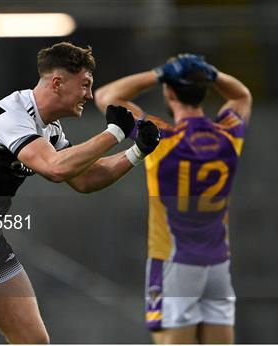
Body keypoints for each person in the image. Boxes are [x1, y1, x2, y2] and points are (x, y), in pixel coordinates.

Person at [0, 41, 160, 344]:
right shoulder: (12, 117)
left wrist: (137, 151)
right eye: (85, 84)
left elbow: (85, 179)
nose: (88, 94)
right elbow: (55, 168)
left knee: (34, 340)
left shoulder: (50, 128)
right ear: (57, 82)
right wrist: (113, 133)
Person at [95, 54, 252, 344]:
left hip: (175, 265)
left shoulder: (161, 138)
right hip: (217, 264)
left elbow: (106, 96)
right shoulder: (228, 134)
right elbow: (242, 95)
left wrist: (158, 73)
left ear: (168, 91)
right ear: (204, 90)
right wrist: (211, 73)